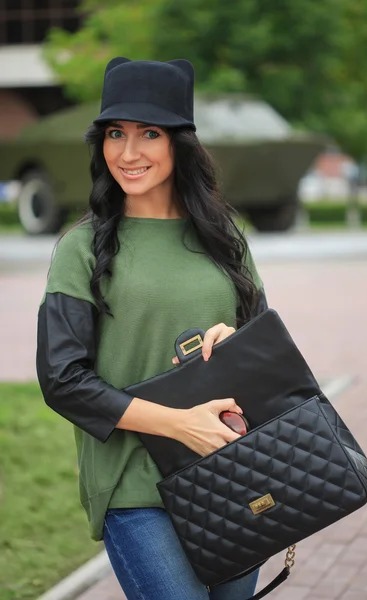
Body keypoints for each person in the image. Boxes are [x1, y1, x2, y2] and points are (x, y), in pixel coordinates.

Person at [36, 57, 268, 600]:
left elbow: (267, 352)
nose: (128, 152)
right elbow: (62, 379)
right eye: (115, 133)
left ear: (179, 143)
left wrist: (236, 344)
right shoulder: (82, 248)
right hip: (134, 488)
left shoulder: (225, 239)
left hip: (232, 472)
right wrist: (179, 424)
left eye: (149, 133)